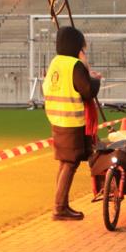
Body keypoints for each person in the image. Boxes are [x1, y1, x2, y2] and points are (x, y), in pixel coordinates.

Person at [43, 26, 101, 221]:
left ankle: (61, 204)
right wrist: (94, 79)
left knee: (64, 163)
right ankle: (59, 208)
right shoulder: (74, 65)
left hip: (57, 119)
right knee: (70, 163)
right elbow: (87, 91)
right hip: (72, 120)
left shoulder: (55, 63)